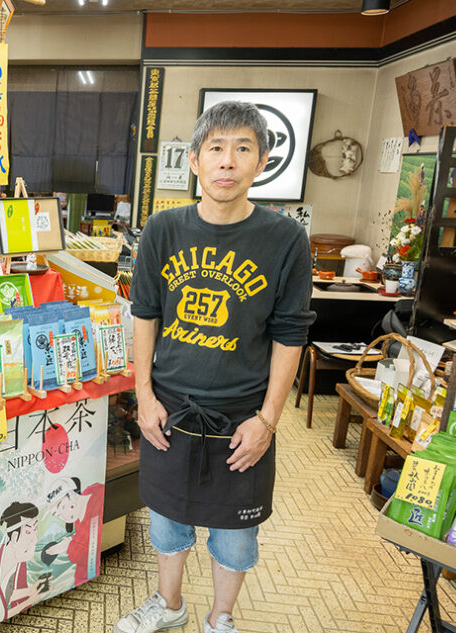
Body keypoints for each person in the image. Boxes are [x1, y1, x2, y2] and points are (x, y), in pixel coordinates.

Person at [115, 101, 315, 633]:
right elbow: (145, 315)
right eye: (216, 148)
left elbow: (290, 335)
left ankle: (220, 617)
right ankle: (169, 604)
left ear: (262, 161)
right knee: (166, 522)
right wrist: (144, 397)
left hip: (241, 416)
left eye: (243, 149)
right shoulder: (163, 230)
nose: (228, 161)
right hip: (170, 410)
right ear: (195, 161)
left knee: (236, 535)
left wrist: (267, 420)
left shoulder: (285, 240)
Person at [0, 501, 44, 631]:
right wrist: (30, 599)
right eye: (28, 532)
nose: (35, 539)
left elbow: (8, 595)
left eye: (35, 529)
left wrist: (31, 590)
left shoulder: (19, 561)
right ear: (15, 536)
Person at [43, 476, 105, 586]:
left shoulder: (96, 504)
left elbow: (91, 555)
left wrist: (69, 546)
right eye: (58, 515)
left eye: (62, 507)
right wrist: (70, 541)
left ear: (71, 495)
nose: (64, 517)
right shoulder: (79, 518)